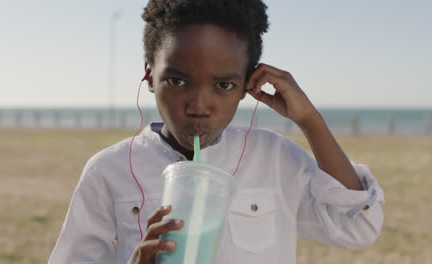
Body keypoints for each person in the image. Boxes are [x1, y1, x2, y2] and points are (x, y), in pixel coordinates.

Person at [49, 0, 384, 263]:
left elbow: (357, 227)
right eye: (177, 81)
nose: (199, 105)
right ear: (150, 76)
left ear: (247, 86)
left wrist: (310, 120)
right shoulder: (109, 171)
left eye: (223, 85)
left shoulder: (275, 158)